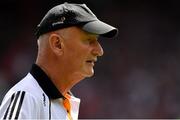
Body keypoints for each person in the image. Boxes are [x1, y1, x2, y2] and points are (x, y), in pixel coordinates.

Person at [0, 2, 118, 119]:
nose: (100, 50)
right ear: (57, 44)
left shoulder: (64, 103)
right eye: (89, 40)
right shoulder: (26, 97)